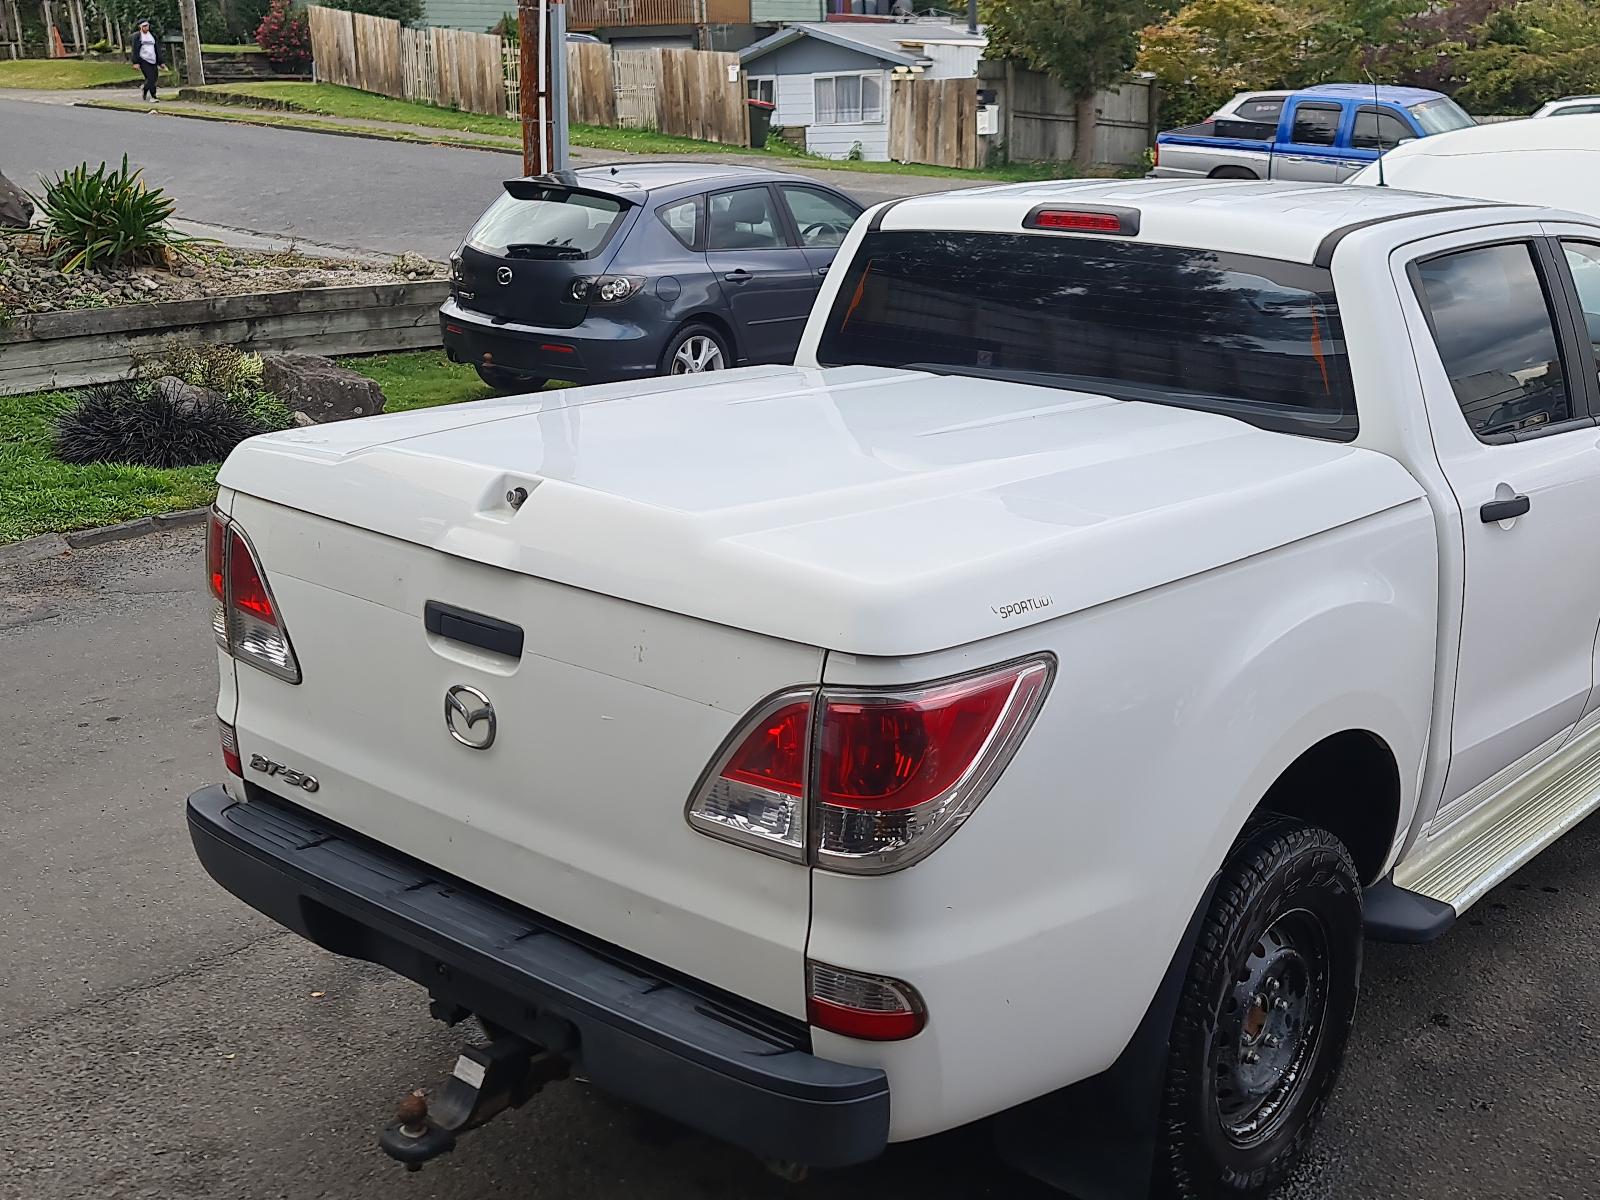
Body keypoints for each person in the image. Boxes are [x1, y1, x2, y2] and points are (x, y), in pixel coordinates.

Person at [131, 19, 161, 102]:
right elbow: (135, 49)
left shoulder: (152, 36)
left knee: (154, 78)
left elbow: (157, 48)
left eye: (147, 25)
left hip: (153, 59)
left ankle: (145, 88)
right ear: (140, 27)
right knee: (150, 78)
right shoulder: (137, 36)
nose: (146, 27)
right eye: (144, 26)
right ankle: (153, 96)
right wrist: (135, 62)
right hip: (143, 59)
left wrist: (160, 62)